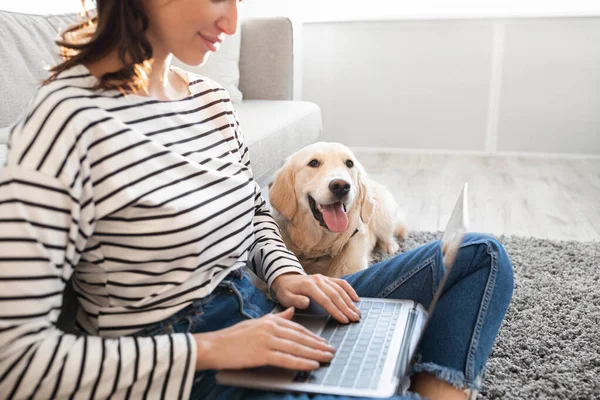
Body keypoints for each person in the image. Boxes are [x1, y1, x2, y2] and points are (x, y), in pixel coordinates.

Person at [0, 1, 514, 399]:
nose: (233, 21)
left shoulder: (208, 99)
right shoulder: (67, 124)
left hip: (263, 307)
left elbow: (250, 213)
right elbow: (14, 361)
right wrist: (213, 347)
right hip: (184, 365)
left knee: (480, 256)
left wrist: (287, 274)